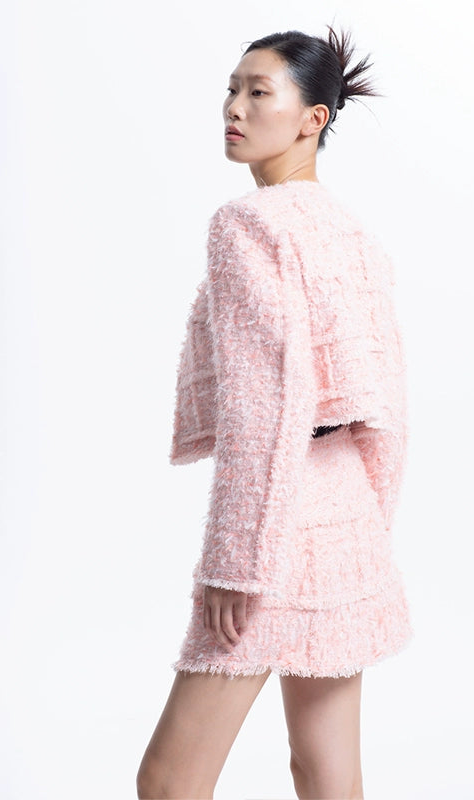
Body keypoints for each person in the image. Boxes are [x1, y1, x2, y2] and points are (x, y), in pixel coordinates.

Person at [137, 26, 413, 800]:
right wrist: (372, 532)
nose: (234, 108)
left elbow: (265, 405)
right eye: (231, 89)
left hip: (274, 527)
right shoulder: (354, 234)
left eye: (259, 92)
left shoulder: (247, 226)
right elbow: (390, 405)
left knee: (168, 781)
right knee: (328, 774)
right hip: (348, 516)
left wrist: (236, 564)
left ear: (312, 119)